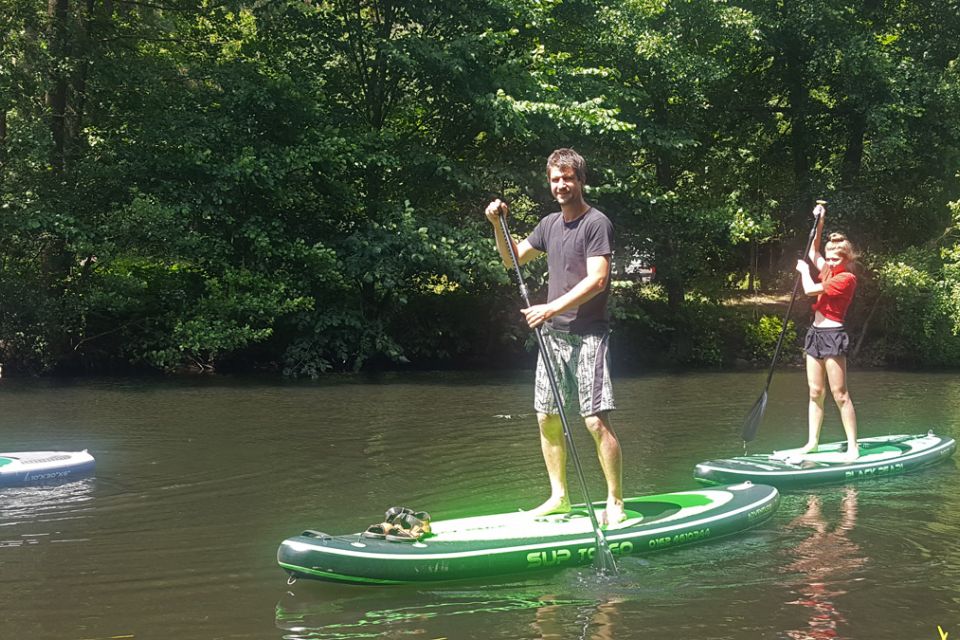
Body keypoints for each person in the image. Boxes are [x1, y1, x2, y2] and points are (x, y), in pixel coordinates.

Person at [484, 148, 625, 524]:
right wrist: (498, 225)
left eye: (567, 178)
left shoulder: (597, 223)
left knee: (594, 420)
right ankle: (559, 497)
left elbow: (598, 280)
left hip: (589, 336)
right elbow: (512, 257)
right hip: (553, 339)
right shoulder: (549, 224)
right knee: (546, 417)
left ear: (580, 180)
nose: (561, 185)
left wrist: (549, 307)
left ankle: (615, 502)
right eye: (555, 179)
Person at [795, 202, 859, 461]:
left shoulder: (845, 279)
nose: (830, 262)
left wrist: (802, 272)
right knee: (815, 392)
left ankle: (853, 446)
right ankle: (812, 443)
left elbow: (810, 290)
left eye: (836, 258)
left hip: (833, 336)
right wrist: (820, 220)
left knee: (840, 394)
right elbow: (813, 250)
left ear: (846, 259)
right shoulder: (827, 269)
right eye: (829, 258)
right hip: (815, 334)